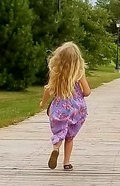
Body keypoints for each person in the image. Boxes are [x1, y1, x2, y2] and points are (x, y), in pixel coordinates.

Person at [39, 41, 91, 170]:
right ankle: (66, 163)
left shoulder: (56, 73)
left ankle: (56, 148)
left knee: (60, 131)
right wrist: (81, 94)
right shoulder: (79, 74)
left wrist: (43, 103)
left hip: (60, 108)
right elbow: (87, 91)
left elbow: (48, 89)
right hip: (76, 109)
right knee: (70, 136)